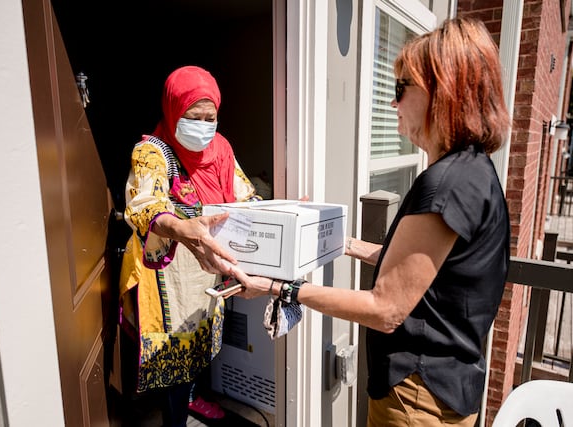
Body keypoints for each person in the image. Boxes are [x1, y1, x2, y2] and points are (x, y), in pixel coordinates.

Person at [231, 17, 511, 427]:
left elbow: (385, 308)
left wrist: (280, 288)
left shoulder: (447, 184)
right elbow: (421, 272)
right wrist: (341, 243)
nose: (392, 103)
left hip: (418, 400)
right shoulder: (471, 172)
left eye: (401, 89)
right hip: (443, 390)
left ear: (442, 92)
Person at [118, 65, 261, 427]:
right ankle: (175, 418)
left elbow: (244, 195)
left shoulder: (222, 149)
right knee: (174, 355)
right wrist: (182, 227)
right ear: (172, 110)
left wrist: (283, 214)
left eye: (208, 117)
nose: (201, 125)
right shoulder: (152, 152)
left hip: (206, 272)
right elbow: (144, 206)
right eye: (191, 116)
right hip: (170, 274)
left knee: (200, 343)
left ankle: (194, 398)